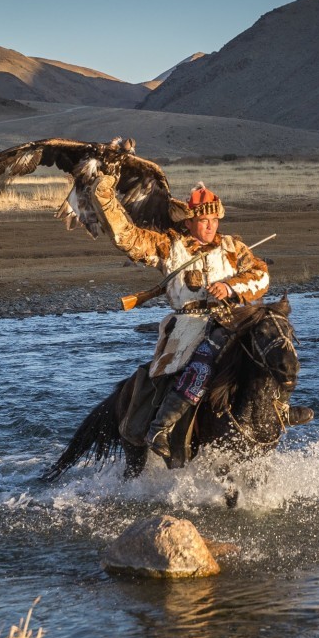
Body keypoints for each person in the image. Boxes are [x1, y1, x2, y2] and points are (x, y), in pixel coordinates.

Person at [91, 176, 270, 459]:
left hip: (232, 319)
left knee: (273, 345)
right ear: (188, 222)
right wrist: (104, 199)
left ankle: (278, 409)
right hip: (189, 326)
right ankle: (162, 426)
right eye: (202, 220)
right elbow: (127, 238)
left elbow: (261, 275)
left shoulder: (234, 248)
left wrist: (230, 287)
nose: (210, 225)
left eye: (213, 220)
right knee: (204, 359)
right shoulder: (168, 247)